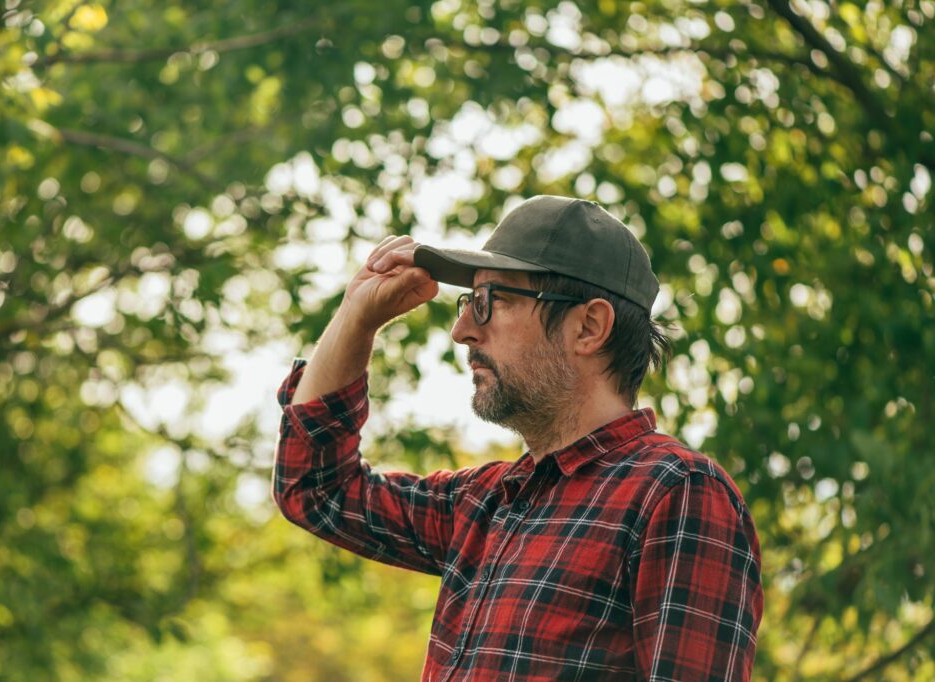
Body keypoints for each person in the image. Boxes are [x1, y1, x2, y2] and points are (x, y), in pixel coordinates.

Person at [273, 195, 764, 681]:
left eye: (492, 302)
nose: (462, 330)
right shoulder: (485, 502)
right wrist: (356, 316)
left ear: (588, 327)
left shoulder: (676, 492)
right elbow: (316, 489)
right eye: (468, 302)